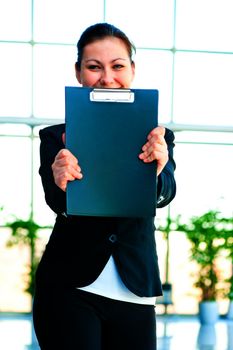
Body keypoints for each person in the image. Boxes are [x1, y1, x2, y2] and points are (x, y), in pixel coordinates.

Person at [33, 22, 176, 350]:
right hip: (68, 287)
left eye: (118, 66)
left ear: (133, 70)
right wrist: (60, 180)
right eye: (94, 67)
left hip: (135, 288)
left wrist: (158, 170)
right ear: (79, 72)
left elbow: (166, 194)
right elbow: (56, 201)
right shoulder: (55, 138)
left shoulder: (158, 138)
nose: (107, 78)